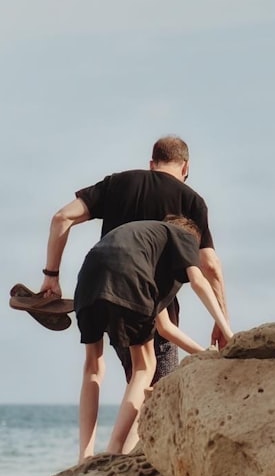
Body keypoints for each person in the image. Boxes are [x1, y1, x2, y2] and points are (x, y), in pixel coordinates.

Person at [38, 135, 229, 386]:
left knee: (135, 382)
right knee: (159, 391)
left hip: (102, 292)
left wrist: (51, 276)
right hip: (152, 306)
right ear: (186, 167)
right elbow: (210, 266)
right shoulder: (191, 200)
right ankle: (133, 427)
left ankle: (119, 427)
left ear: (152, 163)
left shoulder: (118, 182)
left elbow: (61, 218)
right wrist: (221, 320)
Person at [73, 216, 233, 458]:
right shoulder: (184, 236)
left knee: (93, 365)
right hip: (126, 274)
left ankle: (84, 457)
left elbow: (165, 327)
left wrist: (204, 355)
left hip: (87, 278)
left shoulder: (146, 250)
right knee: (145, 366)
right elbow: (199, 282)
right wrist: (228, 332)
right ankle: (115, 450)